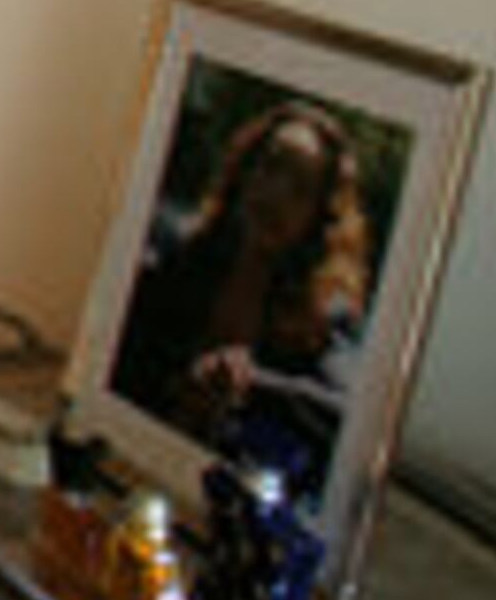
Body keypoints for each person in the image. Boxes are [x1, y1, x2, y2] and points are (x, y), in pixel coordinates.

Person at [108, 99, 373, 456]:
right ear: (244, 171)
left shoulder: (323, 317)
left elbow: (347, 415)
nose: (276, 192)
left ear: (319, 216)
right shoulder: (172, 261)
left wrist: (248, 384)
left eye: (300, 187)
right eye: (271, 166)